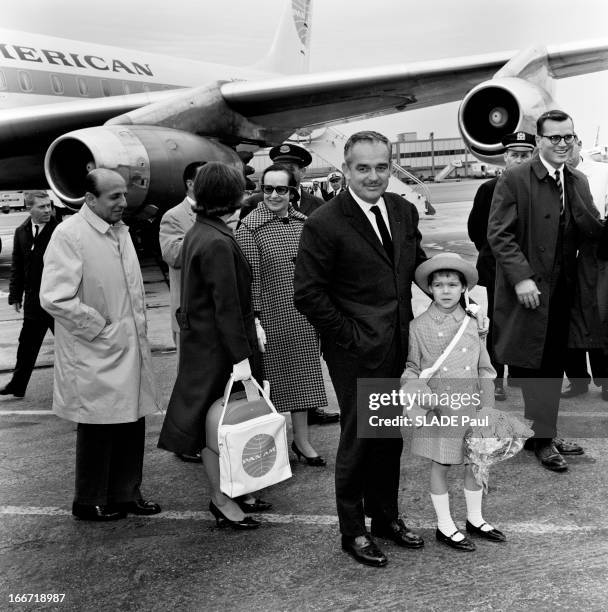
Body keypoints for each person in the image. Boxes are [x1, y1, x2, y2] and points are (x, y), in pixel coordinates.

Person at [294, 130, 426, 567]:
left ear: (392, 167)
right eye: (363, 168)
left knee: (389, 437)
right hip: (354, 351)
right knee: (358, 438)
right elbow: (309, 295)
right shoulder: (325, 222)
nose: (373, 176)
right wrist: (350, 337)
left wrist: (454, 298)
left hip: (399, 343)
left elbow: (415, 265)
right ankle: (353, 530)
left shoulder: (404, 211)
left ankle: (385, 516)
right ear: (345, 170)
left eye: (381, 167)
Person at [40, 169, 161, 521]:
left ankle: (126, 493)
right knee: (98, 426)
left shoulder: (119, 231)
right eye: (114, 197)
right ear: (90, 200)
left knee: (131, 420)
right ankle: (89, 499)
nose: (123, 202)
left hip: (126, 346)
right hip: (96, 349)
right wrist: (99, 326)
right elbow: (54, 297)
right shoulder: (70, 235)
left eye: (123, 195)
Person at [488, 110, 603, 472]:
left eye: (568, 136)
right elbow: (499, 234)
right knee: (537, 365)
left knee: (553, 363)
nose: (562, 143)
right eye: (554, 137)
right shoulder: (516, 179)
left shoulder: (577, 179)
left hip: (564, 289)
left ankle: (544, 433)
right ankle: (540, 440)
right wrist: (521, 277)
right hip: (532, 289)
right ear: (539, 140)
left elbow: (590, 227)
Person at [158, 162, 268, 527]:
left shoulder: (201, 231)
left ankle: (231, 491)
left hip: (205, 345)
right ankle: (222, 500)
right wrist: (242, 358)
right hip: (220, 350)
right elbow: (227, 307)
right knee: (218, 427)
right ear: (232, 196)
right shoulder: (218, 240)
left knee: (220, 424)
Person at [401, 253, 505, 552]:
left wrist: (487, 408)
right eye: (438, 285)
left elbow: (484, 367)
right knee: (442, 463)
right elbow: (411, 366)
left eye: (452, 284)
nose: (445, 290)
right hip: (439, 408)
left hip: (471, 405)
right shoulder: (418, 326)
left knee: (475, 462)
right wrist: (415, 385)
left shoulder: (473, 323)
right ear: (429, 289)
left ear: (463, 288)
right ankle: (444, 524)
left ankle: (475, 518)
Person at [236, 163, 328, 466]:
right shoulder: (250, 228)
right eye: (268, 188)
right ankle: (267, 449)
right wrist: (256, 319)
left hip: (303, 316)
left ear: (293, 192)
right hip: (271, 319)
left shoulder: (306, 223)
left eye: (281, 189)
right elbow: (250, 280)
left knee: (302, 381)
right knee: (269, 387)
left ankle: (301, 441)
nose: (274, 195)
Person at [467, 131, 535, 401]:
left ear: (533, 155)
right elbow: (476, 229)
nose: (519, 159)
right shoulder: (488, 189)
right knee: (499, 321)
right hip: (497, 268)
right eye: (515, 154)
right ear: (505, 156)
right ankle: (495, 377)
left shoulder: (538, 187)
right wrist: (492, 255)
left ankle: (519, 372)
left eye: (525, 154)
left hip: (529, 268)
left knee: (527, 320)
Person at [158, 161, 205, 463]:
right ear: (190, 184)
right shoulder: (174, 216)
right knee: (188, 379)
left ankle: (205, 437)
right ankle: (183, 442)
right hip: (188, 311)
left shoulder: (224, 213)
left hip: (212, 310)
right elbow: (173, 255)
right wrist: (208, 231)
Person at [562, 137, 608, 400]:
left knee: (598, 316)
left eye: (570, 140)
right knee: (569, 319)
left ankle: (605, 379)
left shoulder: (602, 172)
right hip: (565, 253)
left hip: (596, 252)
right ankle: (577, 379)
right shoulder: (550, 175)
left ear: (579, 143)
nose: (565, 147)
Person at [1, 191, 57, 398]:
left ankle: (84, 385)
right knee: (26, 347)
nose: (47, 210)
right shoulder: (21, 231)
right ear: (29, 209)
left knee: (71, 348)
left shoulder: (59, 230)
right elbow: (17, 265)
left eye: (48, 206)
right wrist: (15, 295)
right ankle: (17, 385)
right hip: (34, 302)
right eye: (41, 207)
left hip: (58, 301)